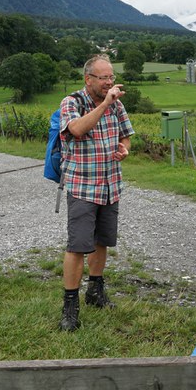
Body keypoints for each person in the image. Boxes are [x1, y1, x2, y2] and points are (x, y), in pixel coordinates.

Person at [58, 54, 134, 332]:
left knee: (102, 241)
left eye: (111, 77)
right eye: (103, 78)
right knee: (78, 246)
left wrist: (124, 149)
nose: (109, 82)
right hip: (83, 186)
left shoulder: (117, 105)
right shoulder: (72, 103)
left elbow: (126, 134)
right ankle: (70, 305)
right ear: (88, 79)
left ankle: (95, 290)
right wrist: (104, 104)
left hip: (110, 184)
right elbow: (76, 129)